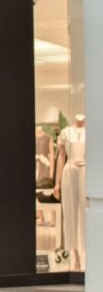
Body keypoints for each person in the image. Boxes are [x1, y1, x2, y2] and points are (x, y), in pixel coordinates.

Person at [53, 114, 86, 271]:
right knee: (70, 213)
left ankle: (88, 254)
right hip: (70, 170)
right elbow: (61, 157)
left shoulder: (92, 131)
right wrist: (57, 183)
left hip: (87, 171)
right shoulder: (66, 132)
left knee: (87, 213)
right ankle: (76, 256)